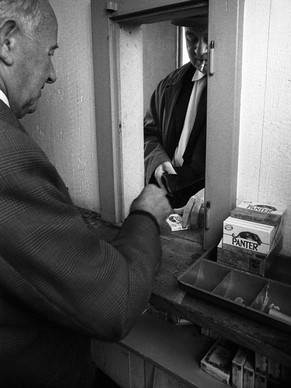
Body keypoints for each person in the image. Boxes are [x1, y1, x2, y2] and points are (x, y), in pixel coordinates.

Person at [0, 1, 171, 387]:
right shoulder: (7, 153)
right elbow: (116, 302)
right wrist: (144, 216)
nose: (53, 74)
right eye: (50, 54)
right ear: (8, 42)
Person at [144, 15, 208, 229]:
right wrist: (158, 165)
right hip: (167, 189)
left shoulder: (246, 91)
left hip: (206, 203)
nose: (199, 50)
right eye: (191, 38)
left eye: (208, 38)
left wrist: (214, 191)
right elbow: (148, 134)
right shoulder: (168, 84)